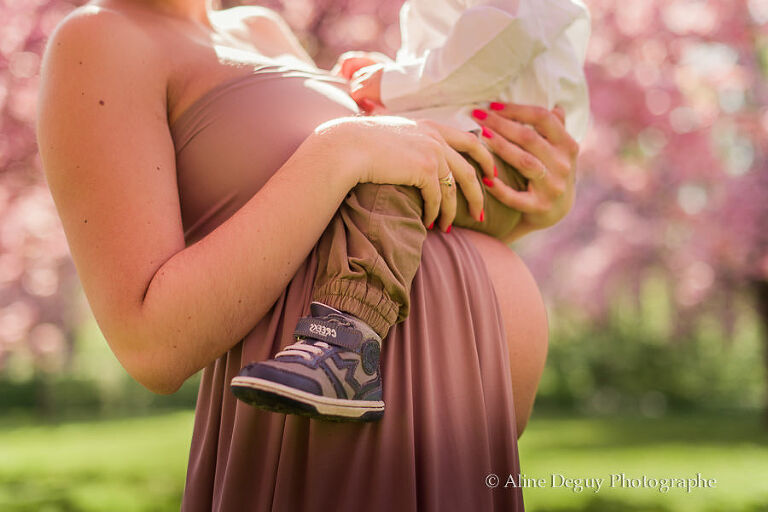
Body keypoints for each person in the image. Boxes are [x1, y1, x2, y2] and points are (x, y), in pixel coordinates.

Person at [36, 0, 580, 509]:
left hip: (465, 423)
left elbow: (360, 222)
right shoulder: (98, 37)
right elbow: (151, 346)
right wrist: (343, 146)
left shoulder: (262, 29)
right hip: (328, 437)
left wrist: (530, 205)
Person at [231, 0, 590, 422]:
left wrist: (395, 83)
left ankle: (347, 352)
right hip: (481, 138)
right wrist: (397, 75)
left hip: (497, 149)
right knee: (391, 159)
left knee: (396, 171)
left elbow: (501, 38)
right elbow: (470, 56)